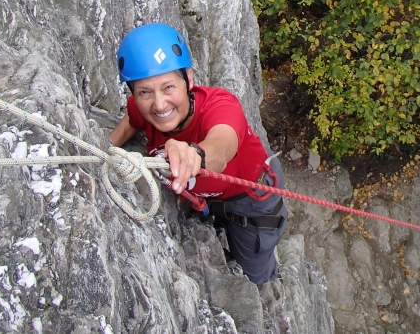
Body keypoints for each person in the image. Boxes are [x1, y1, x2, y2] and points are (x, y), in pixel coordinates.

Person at [109, 23, 287, 286]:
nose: (159, 104)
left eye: (169, 87)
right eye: (145, 92)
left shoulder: (220, 106)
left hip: (251, 198)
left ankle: (269, 283)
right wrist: (105, 148)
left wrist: (196, 154)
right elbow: (132, 120)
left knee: (254, 271)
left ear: (189, 80)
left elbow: (222, 144)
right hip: (210, 195)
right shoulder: (142, 107)